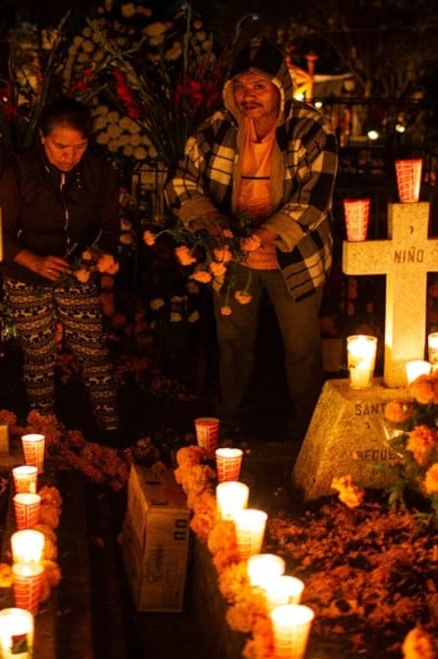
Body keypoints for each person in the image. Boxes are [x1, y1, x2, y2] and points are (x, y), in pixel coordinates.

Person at [166, 37, 338, 434]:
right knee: (233, 343)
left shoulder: (311, 128)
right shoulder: (218, 128)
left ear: (279, 87)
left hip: (293, 254)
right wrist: (211, 221)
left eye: (259, 86)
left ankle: (308, 429)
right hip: (232, 253)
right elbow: (180, 182)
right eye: (241, 86)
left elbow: (315, 198)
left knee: (301, 347)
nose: (249, 95)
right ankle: (231, 421)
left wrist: (264, 234)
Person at [0, 95, 122, 438]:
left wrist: (103, 254)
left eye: (79, 147)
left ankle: (110, 430)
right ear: (42, 138)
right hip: (25, 271)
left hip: (75, 269)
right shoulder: (19, 170)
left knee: (93, 349)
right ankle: (44, 433)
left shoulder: (98, 170)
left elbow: (110, 224)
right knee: (39, 354)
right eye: (60, 147)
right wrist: (34, 261)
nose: (70, 156)